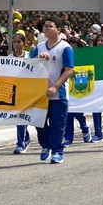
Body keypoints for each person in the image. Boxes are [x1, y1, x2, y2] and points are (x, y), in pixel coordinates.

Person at [31, 18, 75, 163]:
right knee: (39, 123)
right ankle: (45, 146)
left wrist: (55, 86)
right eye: (45, 26)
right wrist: (38, 58)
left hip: (58, 94)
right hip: (40, 94)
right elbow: (29, 65)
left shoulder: (65, 47)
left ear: (58, 30)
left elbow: (69, 70)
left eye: (50, 26)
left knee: (57, 124)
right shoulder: (40, 46)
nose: (46, 28)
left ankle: (57, 151)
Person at [10, 32, 33, 153]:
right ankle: (24, 140)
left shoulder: (30, 57)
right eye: (14, 42)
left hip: (29, 91)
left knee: (23, 117)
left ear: (24, 43)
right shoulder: (9, 59)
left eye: (19, 42)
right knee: (19, 117)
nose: (16, 44)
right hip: (15, 92)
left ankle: (21, 143)